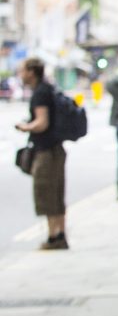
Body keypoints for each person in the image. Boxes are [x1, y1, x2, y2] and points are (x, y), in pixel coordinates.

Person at [14, 57, 69, 250]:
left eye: (22, 71)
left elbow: (41, 123)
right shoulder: (49, 88)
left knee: (46, 193)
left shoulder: (40, 93)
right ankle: (59, 233)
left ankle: (54, 236)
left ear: (31, 71)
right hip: (56, 148)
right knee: (56, 192)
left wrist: (24, 127)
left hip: (46, 150)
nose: (20, 75)